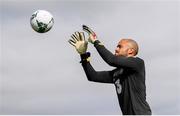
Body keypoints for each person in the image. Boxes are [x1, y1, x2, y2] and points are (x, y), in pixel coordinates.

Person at [68, 25, 152, 115]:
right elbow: (92, 76)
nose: (116, 49)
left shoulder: (138, 63)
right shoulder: (117, 73)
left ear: (130, 51)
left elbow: (111, 60)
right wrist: (83, 54)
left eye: (120, 47)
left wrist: (96, 41)